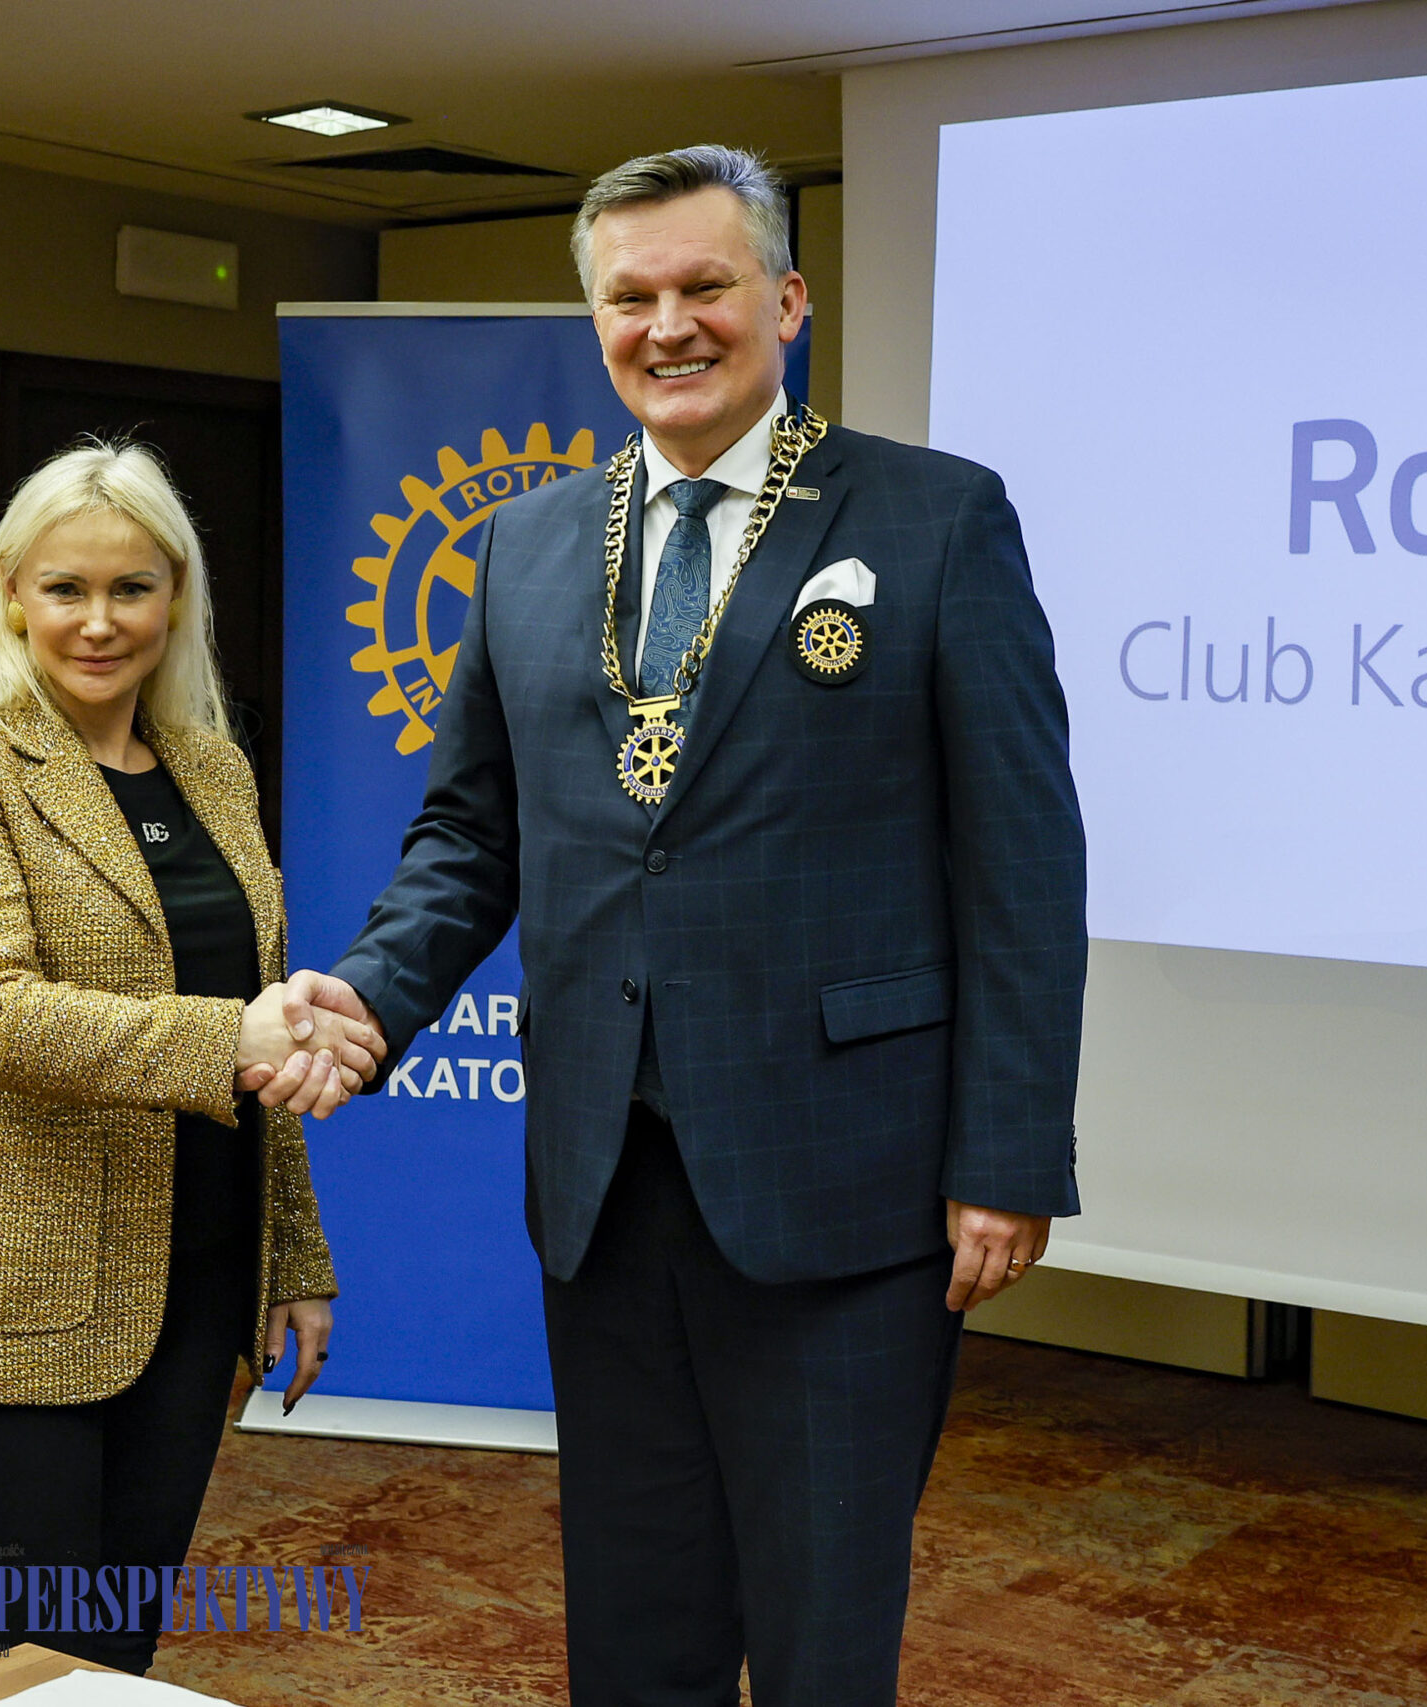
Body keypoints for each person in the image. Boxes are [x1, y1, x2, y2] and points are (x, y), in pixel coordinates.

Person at [274, 144, 1087, 1706]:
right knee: (636, 1616)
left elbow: (1023, 865)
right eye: (630, 297)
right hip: (606, 1177)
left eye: (705, 286)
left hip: (846, 1184)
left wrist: (1008, 1148)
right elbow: (471, 832)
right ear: (596, 321)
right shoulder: (529, 543)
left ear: (786, 300)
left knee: (822, 1628)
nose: (669, 326)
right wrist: (373, 994)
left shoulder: (935, 520)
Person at [0, 440, 383, 1674]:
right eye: (66, 589)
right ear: (13, 595)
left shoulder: (213, 766)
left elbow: (263, 1031)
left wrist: (292, 1258)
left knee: (118, 1657)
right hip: (19, 1295)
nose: (98, 622)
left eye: (130, 589)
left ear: (175, 597)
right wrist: (227, 1034)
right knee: (26, 1663)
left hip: (196, 1289)